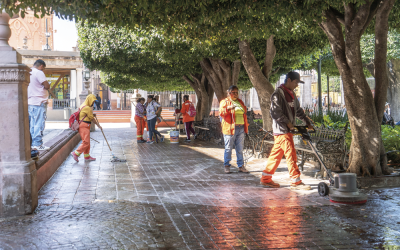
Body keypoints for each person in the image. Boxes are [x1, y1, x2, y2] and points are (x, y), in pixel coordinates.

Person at [261, 71, 313, 189]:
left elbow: (298, 110)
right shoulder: (278, 94)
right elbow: (275, 112)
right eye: (295, 82)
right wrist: (289, 123)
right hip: (282, 130)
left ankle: (265, 178)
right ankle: (296, 181)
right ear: (288, 80)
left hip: (285, 131)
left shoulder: (292, 94)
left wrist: (307, 122)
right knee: (291, 154)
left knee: (275, 156)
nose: (297, 85)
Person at [219, 85, 249, 174]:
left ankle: (241, 166)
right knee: (228, 148)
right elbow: (221, 112)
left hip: (241, 128)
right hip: (230, 128)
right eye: (233, 92)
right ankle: (227, 166)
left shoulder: (240, 102)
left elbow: (244, 112)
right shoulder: (225, 102)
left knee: (240, 149)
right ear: (229, 93)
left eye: (237, 92)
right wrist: (228, 109)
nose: (235, 94)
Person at [71, 94, 102, 162]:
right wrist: (98, 125)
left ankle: (87, 156)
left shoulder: (83, 105)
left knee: (86, 142)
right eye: (93, 101)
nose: (93, 103)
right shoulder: (87, 108)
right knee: (86, 142)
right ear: (89, 100)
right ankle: (76, 153)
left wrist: (92, 114)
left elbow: (85, 115)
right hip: (84, 126)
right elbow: (92, 118)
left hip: (84, 126)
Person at [28, 59, 51, 151]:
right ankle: (38, 144)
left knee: (33, 124)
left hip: (30, 102)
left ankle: (33, 144)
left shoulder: (29, 72)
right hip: (39, 102)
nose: (43, 70)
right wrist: (48, 83)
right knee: (39, 123)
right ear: (41, 66)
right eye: (44, 68)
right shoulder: (38, 72)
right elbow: (47, 86)